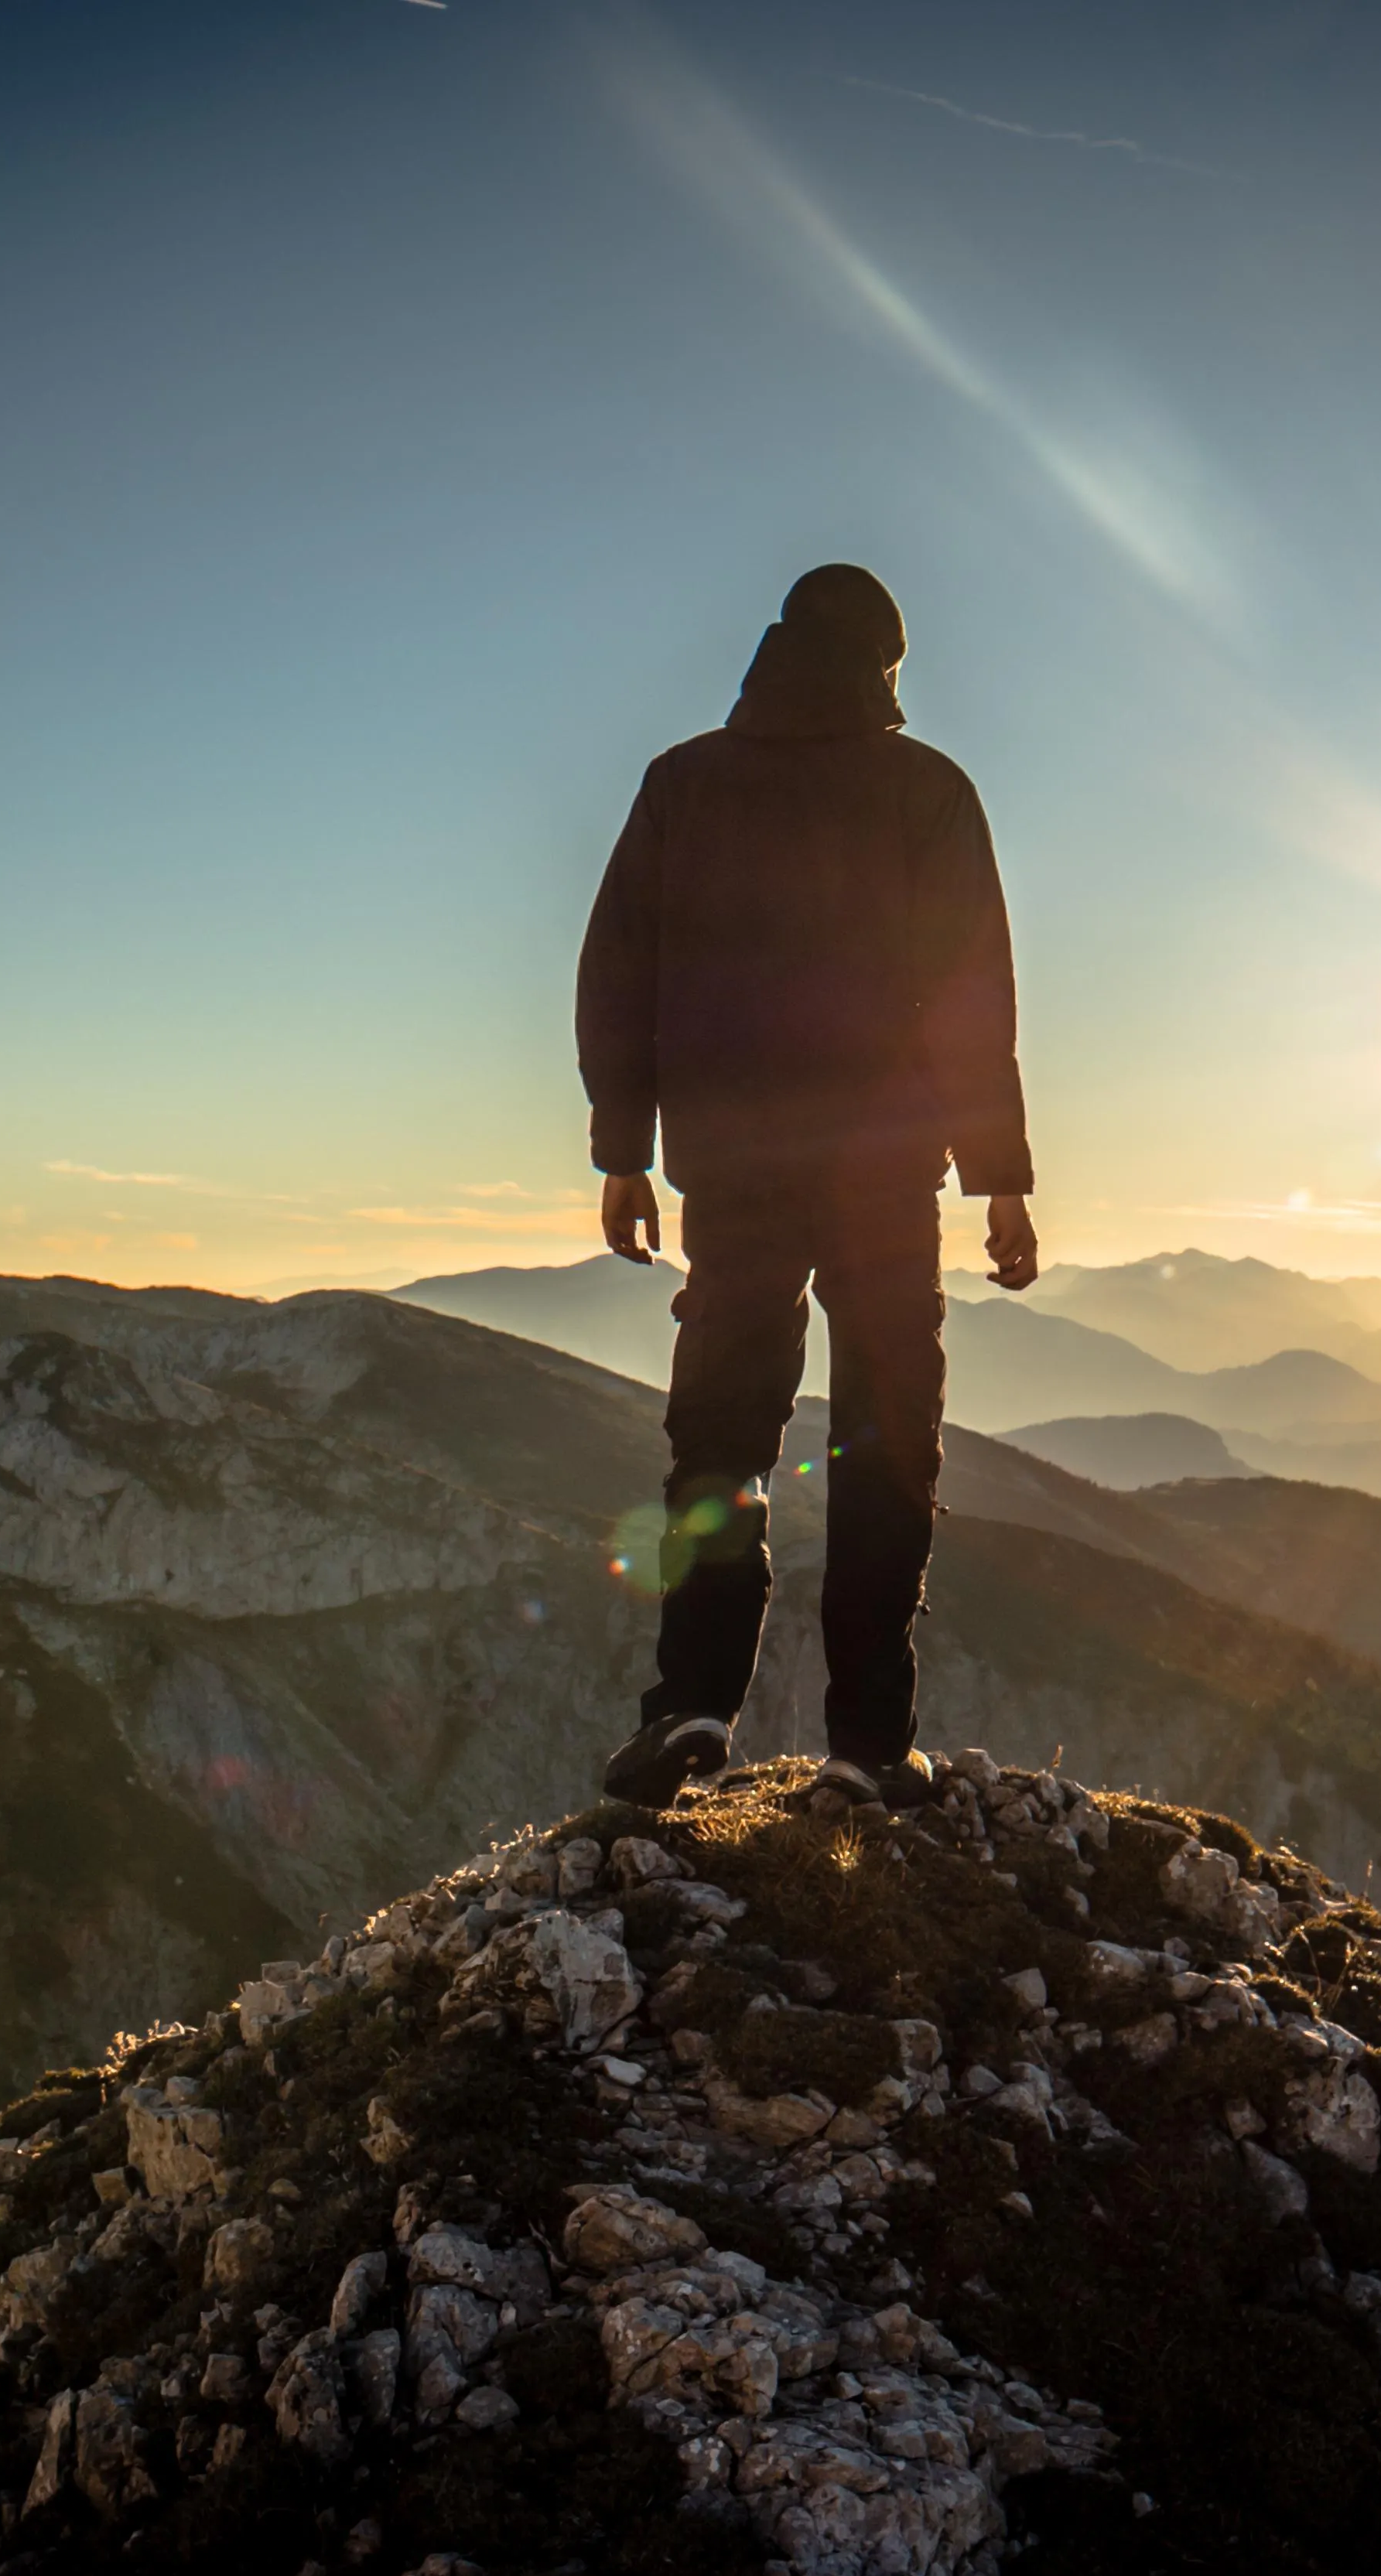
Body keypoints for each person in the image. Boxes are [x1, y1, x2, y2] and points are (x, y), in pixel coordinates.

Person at [574, 562, 1038, 1809]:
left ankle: (689, 1708)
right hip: (886, 1170)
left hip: (731, 1164)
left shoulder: (684, 783)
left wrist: (622, 1148)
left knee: (718, 1431)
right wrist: (997, 1177)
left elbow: (617, 968)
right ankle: (868, 1742)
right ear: (884, 665)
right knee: (886, 1437)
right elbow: (970, 998)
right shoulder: (926, 791)